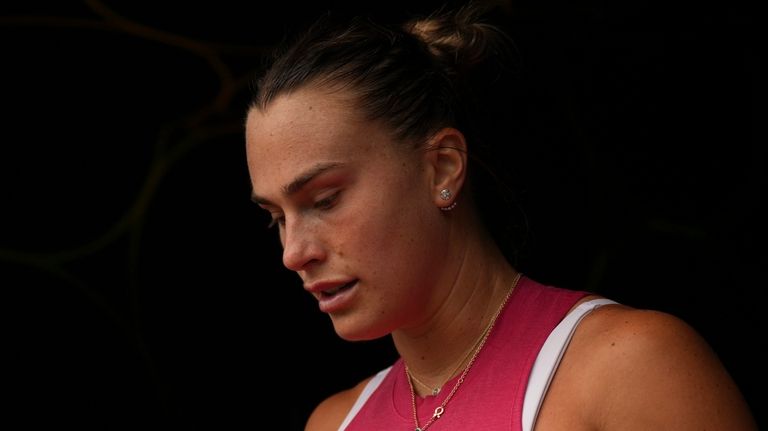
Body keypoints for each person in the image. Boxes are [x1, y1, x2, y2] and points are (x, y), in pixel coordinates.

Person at [244, 3, 757, 430]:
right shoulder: (335, 423)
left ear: (442, 167)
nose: (293, 253)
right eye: (276, 218)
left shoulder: (625, 369)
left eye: (326, 199)